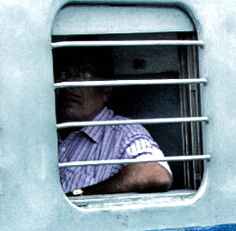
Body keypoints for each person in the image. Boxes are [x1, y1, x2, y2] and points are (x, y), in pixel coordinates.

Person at [57, 52, 174, 195]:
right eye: (64, 75)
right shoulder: (48, 133)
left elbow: (156, 174)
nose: (69, 84)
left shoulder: (123, 134)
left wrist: (83, 194)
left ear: (105, 90)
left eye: (83, 75)